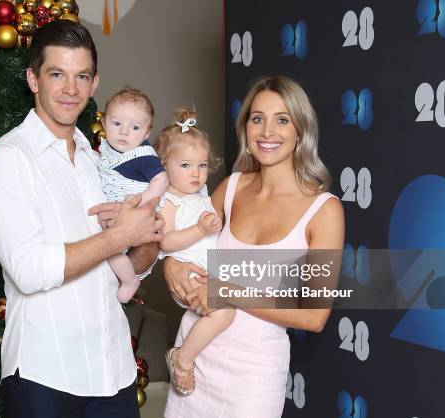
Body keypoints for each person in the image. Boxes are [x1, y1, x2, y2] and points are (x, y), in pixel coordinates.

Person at [0, 21, 162, 418]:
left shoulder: (100, 162)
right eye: (57, 74)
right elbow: (28, 270)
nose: (71, 89)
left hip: (115, 373)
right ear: (33, 79)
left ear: (95, 84)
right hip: (46, 377)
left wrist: (148, 237)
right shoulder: (7, 161)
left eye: (81, 76)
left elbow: (133, 263)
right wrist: (118, 238)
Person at [163, 76, 345, 417]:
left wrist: (228, 290)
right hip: (193, 359)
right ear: (245, 126)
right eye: (257, 118)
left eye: (282, 119)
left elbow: (315, 315)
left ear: (301, 129)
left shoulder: (325, 210)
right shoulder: (230, 188)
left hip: (254, 375)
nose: (266, 132)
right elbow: (182, 242)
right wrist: (171, 264)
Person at [153, 107, 234, 396]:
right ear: (164, 165)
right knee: (223, 313)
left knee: (221, 312)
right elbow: (165, 242)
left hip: (205, 270)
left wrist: (213, 224)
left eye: (201, 166)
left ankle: (185, 356)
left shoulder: (200, 195)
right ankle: (182, 358)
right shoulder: (169, 201)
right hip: (189, 274)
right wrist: (200, 230)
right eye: (185, 165)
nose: (196, 173)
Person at [99, 87, 169, 302]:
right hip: (111, 212)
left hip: (131, 215)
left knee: (107, 249)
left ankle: (129, 280)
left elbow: (162, 179)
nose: (124, 132)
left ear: (147, 133)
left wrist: (143, 202)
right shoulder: (106, 149)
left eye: (135, 127)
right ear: (103, 123)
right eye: (116, 123)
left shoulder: (144, 156)